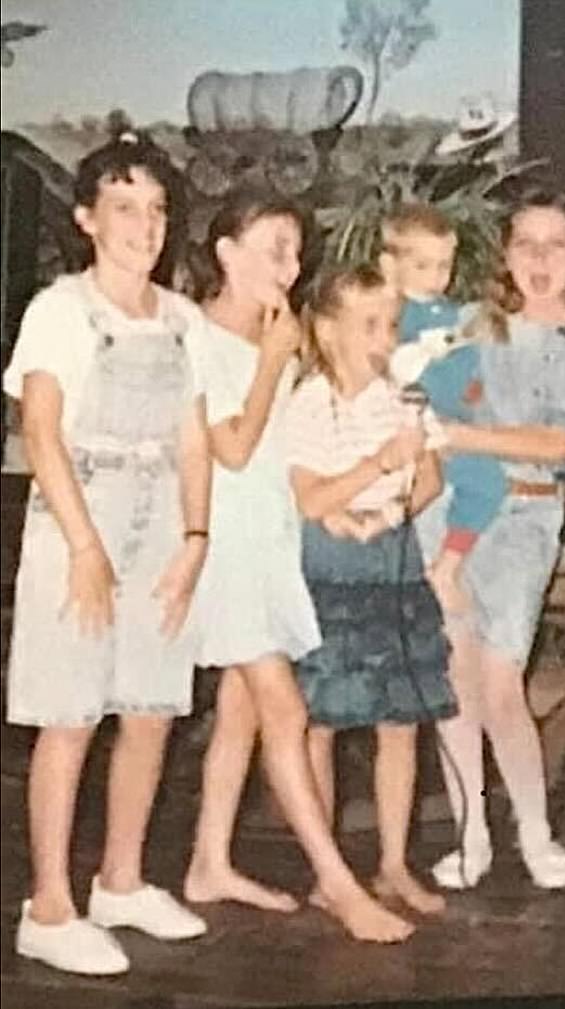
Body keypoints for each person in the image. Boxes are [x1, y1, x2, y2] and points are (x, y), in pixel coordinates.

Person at [3, 131, 211, 975]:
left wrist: (194, 540)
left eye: (157, 209)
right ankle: (47, 907)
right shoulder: (60, 309)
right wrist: (85, 545)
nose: (145, 224)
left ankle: (120, 881)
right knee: (71, 713)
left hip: (161, 521)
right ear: (89, 219)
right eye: (126, 207)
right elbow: (40, 430)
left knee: (151, 708)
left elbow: (194, 442)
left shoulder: (182, 319)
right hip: (76, 519)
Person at [184, 186, 415, 944]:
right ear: (226, 252)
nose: (289, 262)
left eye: (293, 247)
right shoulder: (202, 334)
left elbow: (282, 457)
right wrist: (273, 361)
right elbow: (232, 448)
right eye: (272, 247)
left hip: (273, 541)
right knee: (286, 710)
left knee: (243, 712)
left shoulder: (270, 335)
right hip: (227, 549)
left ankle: (208, 863)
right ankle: (340, 885)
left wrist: (338, 507)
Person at [414, 189, 565, 890]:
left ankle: (534, 832)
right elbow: (408, 379)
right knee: (454, 681)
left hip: (526, 520)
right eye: (525, 243)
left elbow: (556, 444)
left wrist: (461, 435)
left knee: (501, 679)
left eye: (555, 244)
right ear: (506, 254)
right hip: (445, 510)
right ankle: (469, 835)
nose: (540, 259)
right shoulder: (475, 327)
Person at [285, 263, 456, 915]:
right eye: (369, 326)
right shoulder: (308, 399)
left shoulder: (403, 397)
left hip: (393, 561)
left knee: (399, 720)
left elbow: (432, 476)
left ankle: (391, 863)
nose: (385, 338)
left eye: (391, 325)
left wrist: (388, 510)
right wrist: (373, 469)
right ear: (329, 332)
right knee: (321, 720)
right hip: (329, 568)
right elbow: (309, 496)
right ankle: (329, 872)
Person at [380, 203, 507, 611]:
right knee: (475, 483)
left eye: (443, 266)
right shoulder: (391, 312)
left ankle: (447, 563)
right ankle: (429, 567)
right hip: (418, 422)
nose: (436, 277)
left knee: (488, 482)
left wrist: (474, 386)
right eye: (422, 266)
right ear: (390, 265)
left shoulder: (452, 312)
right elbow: (397, 367)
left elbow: (470, 362)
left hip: (457, 420)